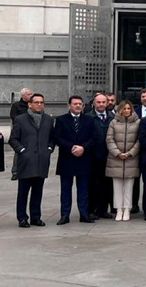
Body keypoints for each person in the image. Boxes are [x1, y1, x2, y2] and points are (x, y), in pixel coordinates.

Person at [10, 93, 54, 227]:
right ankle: (22, 218)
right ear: (29, 104)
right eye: (36, 102)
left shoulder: (48, 119)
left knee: (38, 191)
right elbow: (13, 139)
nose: (39, 105)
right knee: (23, 192)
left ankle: (36, 217)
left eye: (42, 102)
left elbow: (52, 137)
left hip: (41, 161)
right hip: (26, 161)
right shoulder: (20, 119)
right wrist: (22, 151)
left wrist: (49, 149)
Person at [54, 95, 96, 224]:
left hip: (84, 158)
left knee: (83, 189)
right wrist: (71, 147)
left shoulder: (89, 120)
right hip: (67, 158)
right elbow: (57, 138)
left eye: (80, 104)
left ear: (83, 106)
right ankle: (64, 215)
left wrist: (83, 148)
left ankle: (84, 214)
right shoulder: (61, 120)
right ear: (69, 105)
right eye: (75, 104)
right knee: (65, 189)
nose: (78, 106)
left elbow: (94, 137)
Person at [105, 100, 140, 221]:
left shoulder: (137, 122)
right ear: (120, 109)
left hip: (131, 159)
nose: (126, 111)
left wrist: (130, 153)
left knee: (129, 187)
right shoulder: (113, 122)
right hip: (116, 159)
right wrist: (117, 153)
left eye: (128, 108)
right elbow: (109, 139)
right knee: (117, 187)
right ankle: (119, 209)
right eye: (124, 108)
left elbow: (139, 140)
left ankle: (127, 209)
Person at [88, 93, 114, 219]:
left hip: (109, 156)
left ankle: (103, 209)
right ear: (94, 103)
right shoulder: (88, 117)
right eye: (98, 102)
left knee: (107, 184)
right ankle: (91, 210)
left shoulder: (113, 117)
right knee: (93, 184)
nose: (101, 104)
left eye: (104, 102)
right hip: (93, 156)